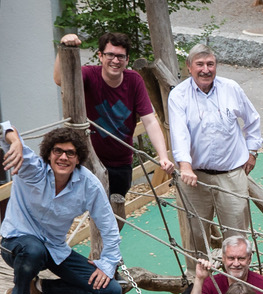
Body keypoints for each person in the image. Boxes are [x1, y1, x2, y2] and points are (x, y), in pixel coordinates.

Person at [0, 122, 123, 294]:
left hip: (54, 249)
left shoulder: (88, 184)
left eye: (70, 153)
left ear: (78, 158)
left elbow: (108, 225)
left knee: (111, 291)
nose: (63, 157)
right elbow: (1, 127)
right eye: (58, 151)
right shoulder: (32, 169)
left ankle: (43, 292)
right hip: (17, 245)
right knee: (33, 250)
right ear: (48, 154)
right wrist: (16, 141)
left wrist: (108, 262)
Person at [52, 32, 175, 215]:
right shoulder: (89, 75)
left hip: (120, 163)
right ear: (100, 56)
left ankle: (109, 244)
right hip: (88, 161)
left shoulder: (134, 81)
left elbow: (149, 120)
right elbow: (60, 80)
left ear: (127, 60)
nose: (115, 60)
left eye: (120, 56)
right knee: (91, 212)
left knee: (115, 215)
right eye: (110, 55)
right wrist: (63, 50)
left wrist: (162, 156)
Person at [168, 43, 262, 258]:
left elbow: (252, 120)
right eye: (199, 64)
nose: (205, 69)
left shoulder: (231, 88)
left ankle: (238, 285)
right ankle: (196, 281)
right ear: (189, 67)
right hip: (195, 177)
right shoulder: (179, 95)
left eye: (210, 64)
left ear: (216, 66)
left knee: (236, 235)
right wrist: (185, 165)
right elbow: (179, 133)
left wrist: (252, 150)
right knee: (195, 234)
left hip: (231, 175)